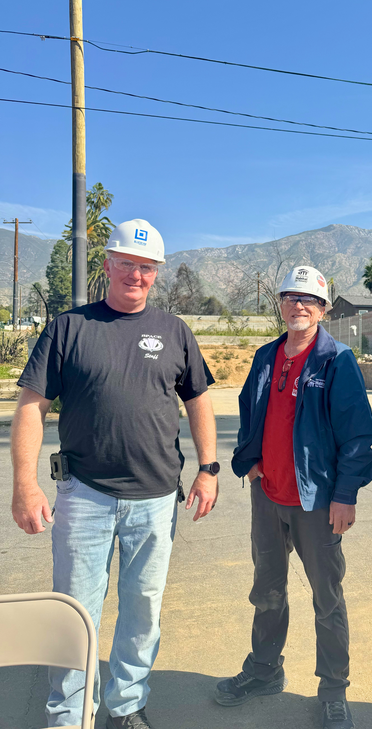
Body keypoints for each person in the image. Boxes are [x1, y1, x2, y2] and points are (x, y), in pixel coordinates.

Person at [11, 219, 219, 729]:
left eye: (146, 267)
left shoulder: (175, 331)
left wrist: (208, 469)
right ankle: (69, 713)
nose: (136, 274)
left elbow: (198, 401)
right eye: (126, 263)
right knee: (75, 611)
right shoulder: (69, 327)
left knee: (142, 609)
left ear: (156, 274)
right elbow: (31, 406)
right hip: (84, 495)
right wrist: (24, 483)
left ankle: (125, 705)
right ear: (107, 265)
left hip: (154, 499)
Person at [215, 266, 372, 729]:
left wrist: (346, 494)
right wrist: (249, 461)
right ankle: (264, 670)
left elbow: (358, 435)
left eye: (308, 299)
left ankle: (333, 690)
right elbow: (248, 414)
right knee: (267, 590)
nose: (298, 305)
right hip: (268, 497)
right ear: (281, 305)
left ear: (323, 308)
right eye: (290, 297)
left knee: (327, 598)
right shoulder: (266, 357)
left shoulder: (336, 361)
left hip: (318, 502)